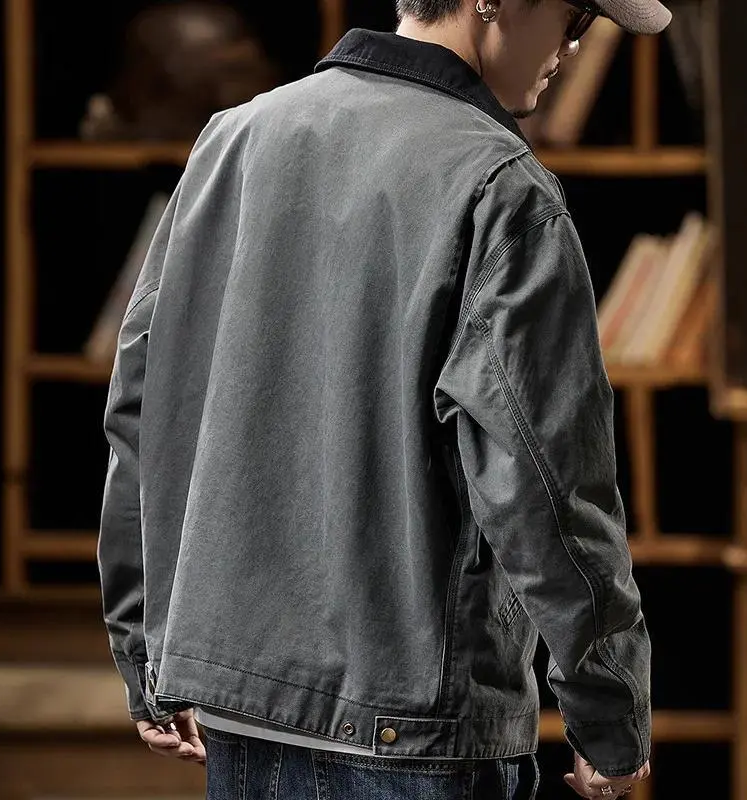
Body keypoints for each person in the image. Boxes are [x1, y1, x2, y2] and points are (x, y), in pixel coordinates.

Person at [97, 1, 671, 798]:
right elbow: (550, 486)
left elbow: (144, 413)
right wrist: (608, 709)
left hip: (244, 718)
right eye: (575, 17)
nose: (576, 47)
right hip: (413, 735)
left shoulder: (233, 140)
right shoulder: (500, 186)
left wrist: (149, 654)